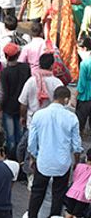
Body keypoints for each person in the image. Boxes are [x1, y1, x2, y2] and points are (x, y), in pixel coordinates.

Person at [27, 86, 82, 218]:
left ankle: (32, 215)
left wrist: (33, 157)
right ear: (66, 99)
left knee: (37, 192)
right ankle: (54, 215)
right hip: (62, 163)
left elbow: (32, 142)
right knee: (58, 194)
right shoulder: (71, 117)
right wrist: (76, 161)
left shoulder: (39, 115)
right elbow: (76, 145)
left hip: (43, 160)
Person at [0, 43, 30, 155]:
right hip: (23, 107)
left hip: (9, 108)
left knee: (10, 137)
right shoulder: (25, 68)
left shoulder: (5, 72)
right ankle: (20, 159)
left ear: (6, 56)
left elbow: (4, 94)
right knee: (20, 136)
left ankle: (11, 158)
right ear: (18, 54)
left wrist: (0, 107)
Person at [64, 147, 91, 218]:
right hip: (83, 196)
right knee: (78, 215)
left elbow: (74, 178)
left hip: (71, 193)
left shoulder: (79, 166)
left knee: (69, 211)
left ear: (86, 157)